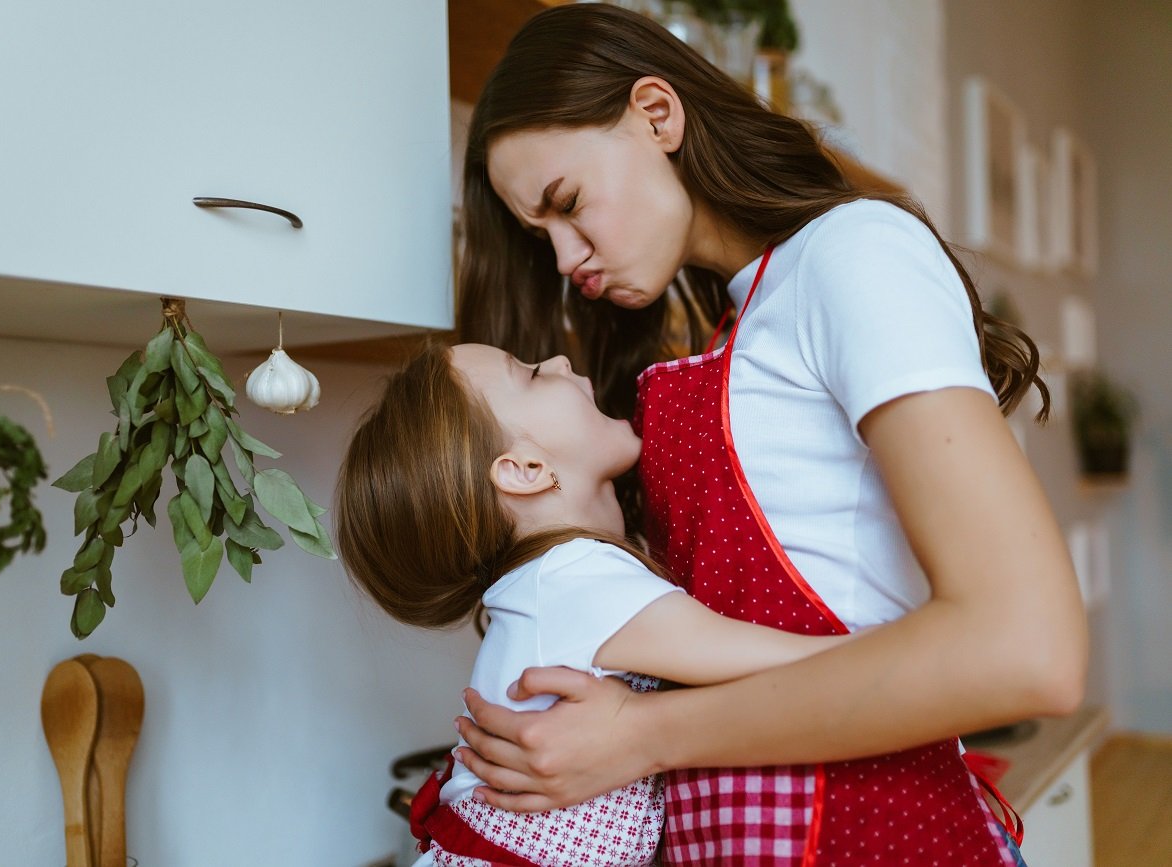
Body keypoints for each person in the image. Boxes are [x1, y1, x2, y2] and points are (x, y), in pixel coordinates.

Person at [449, 3, 1087, 865]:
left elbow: (1026, 648)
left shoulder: (853, 253)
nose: (565, 260)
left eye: (567, 205)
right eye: (541, 236)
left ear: (657, 114)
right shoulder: (734, 320)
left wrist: (643, 733)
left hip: (877, 835)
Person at [335, 342, 854, 866]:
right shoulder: (576, 578)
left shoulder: (548, 584)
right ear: (525, 469)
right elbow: (797, 664)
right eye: (533, 374)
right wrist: (918, 641)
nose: (559, 362)